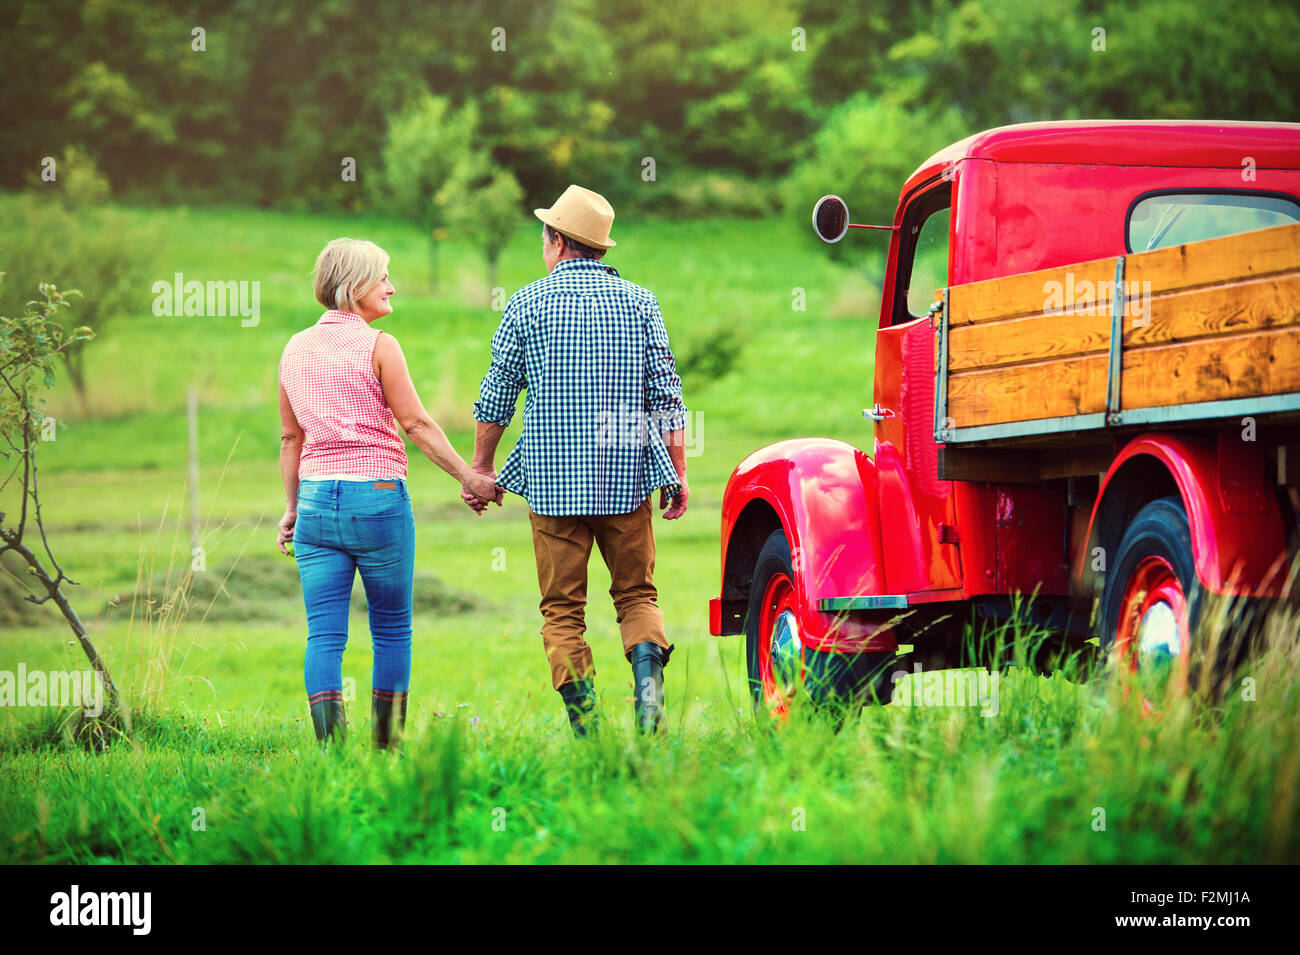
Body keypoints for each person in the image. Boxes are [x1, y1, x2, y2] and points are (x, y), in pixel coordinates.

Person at [467, 184, 689, 736]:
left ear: (557, 242)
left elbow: (497, 394)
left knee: (562, 612)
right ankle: (649, 706)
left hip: (550, 485)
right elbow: (667, 397)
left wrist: (482, 469)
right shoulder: (641, 302)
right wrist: (678, 475)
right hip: (627, 478)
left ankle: (590, 733)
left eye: (545, 236)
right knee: (637, 594)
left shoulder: (526, 303)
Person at [277, 238, 498, 748]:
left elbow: (292, 438)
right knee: (393, 629)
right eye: (382, 277)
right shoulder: (380, 346)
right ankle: (386, 747)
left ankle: (332, 750)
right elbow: (416, 424)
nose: (391, 286)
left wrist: (292, 509)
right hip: (376, 499)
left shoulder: (293, 349)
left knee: (325, 635)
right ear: (354, 286)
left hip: (314, 502)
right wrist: (470, 477)